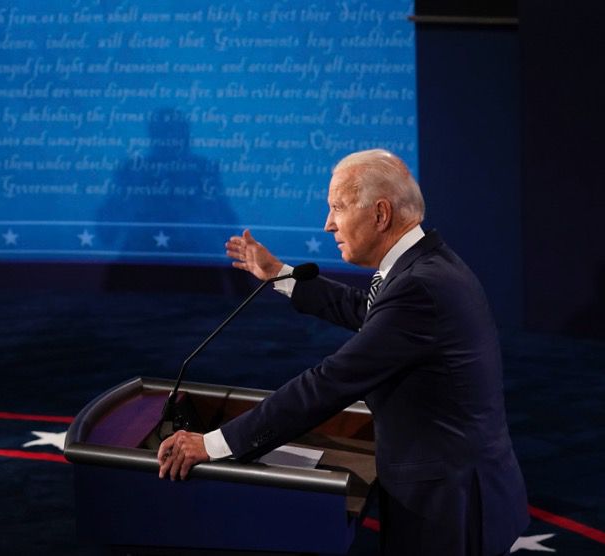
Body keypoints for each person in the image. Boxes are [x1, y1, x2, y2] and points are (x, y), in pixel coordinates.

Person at [156, 149, 529, 555]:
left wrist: (213, 445)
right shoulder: (425, 267)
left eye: (337, 207)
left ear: (381, 214)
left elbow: (329, 383)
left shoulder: (419, 288)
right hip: (455, 488)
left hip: (448, 505)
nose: (328, 223)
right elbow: (367, 312)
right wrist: (279, 275)